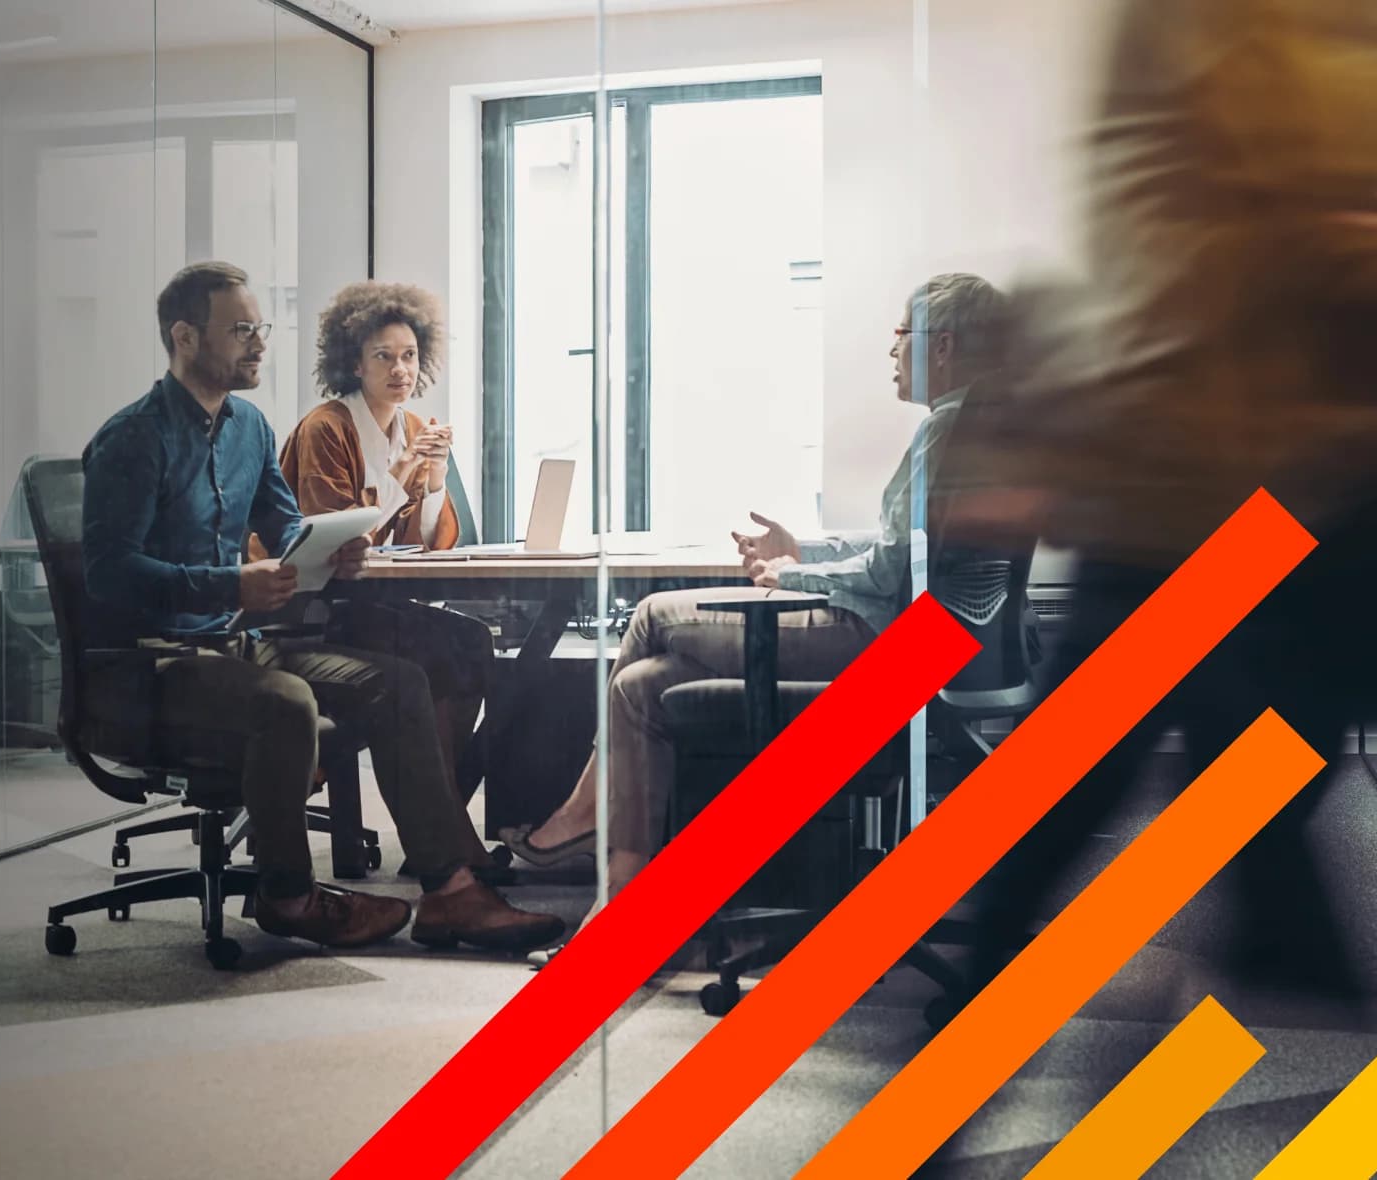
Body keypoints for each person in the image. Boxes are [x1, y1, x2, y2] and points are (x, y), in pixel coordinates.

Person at [940, 0, 1377, 1020]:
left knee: (1147, 757)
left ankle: (1278, 929)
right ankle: (1274, 932)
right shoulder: (1223, 35)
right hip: (1197, 449)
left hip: (1302, 461)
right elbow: (1196, 216)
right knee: (1090, 770)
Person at [499, 274, 1014, 938]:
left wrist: (791, 576)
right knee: (639, 686)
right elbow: (899, 546)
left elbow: (890, 570)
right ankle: (626, 900)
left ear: (942, 346)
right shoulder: (981, 425)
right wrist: (806, 548)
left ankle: (588, 819)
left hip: (890, 647)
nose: (891, 353)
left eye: (900, 336)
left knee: (655, 613)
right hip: (929, 645)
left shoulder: (948, 432)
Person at [78, 261, 566, 953]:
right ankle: (287, 894)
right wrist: (228, 586)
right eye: (240, 328)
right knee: (286, 701)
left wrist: (334, 550)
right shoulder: (132, 438)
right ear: (185, 337)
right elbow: (107, 574)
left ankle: (452, 894)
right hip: (147, 664)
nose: (258, 342)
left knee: (399, 683)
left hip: (231, 643)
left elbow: (286, 528)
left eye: (260, 328)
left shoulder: (246, 427)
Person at [271, 280, 499, 827]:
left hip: (369, 602)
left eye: (409, 356)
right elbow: (335, 540)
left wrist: (437, 476)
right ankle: (445, 826)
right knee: (436, 652)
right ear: (354, 363)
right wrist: (401, 472)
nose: (401, 370)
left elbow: (432, 542)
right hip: (316, 609)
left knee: (470, 642)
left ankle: (449, 809)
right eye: (384, 357)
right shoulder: (326, 428)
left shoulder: (414, 427)